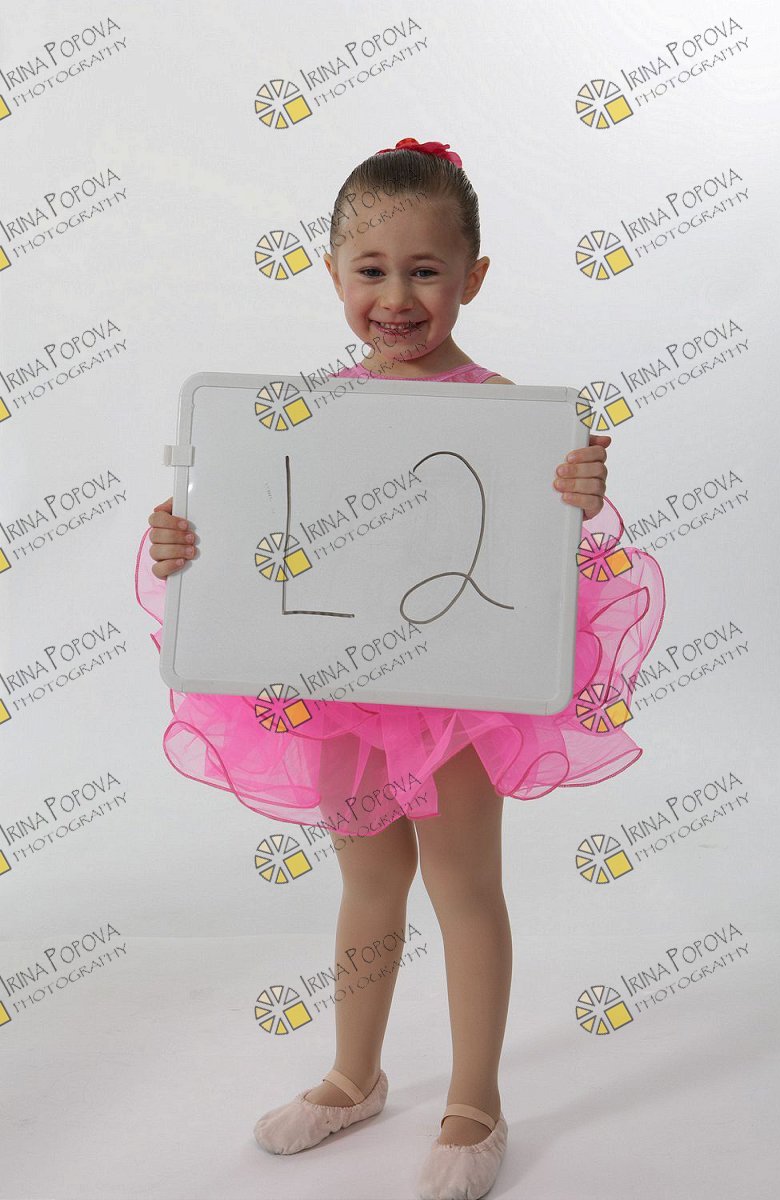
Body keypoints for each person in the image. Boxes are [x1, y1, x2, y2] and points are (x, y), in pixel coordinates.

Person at [135, 136, 666, 1200]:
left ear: (472, 276)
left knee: (462, 884)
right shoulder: (301, 413)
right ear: (332, 274)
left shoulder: (505, 409)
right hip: (345, 686)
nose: (396, 297)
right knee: (368, 879)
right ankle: (353, 1074)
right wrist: (185, 538)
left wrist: (575, 489)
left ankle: (475, 1099)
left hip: (459, 690)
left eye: (425, 271)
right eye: (370, 271)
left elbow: (543, 544)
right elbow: (256, 526)